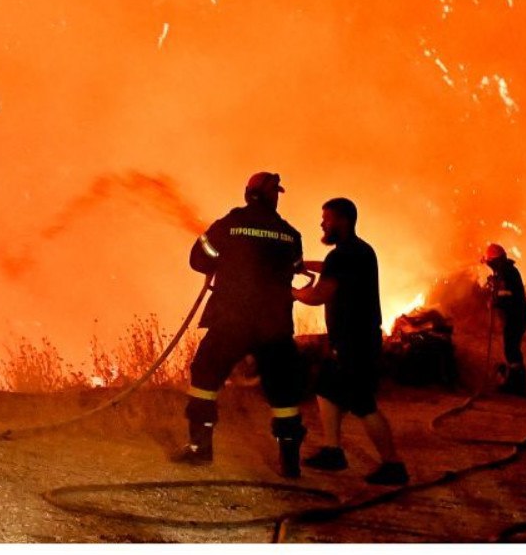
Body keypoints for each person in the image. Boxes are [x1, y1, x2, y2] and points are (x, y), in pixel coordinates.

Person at [175, 171, 310, 478]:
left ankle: (199, 449)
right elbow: (294, 266)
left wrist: (224, 262)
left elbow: (199, 258)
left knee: (205, 376)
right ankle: (290, 463)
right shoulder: (290, 234)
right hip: (274, 326)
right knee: (284, 392)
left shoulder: (229, 224)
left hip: (231, 320)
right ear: (272, 196)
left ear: (248, 194)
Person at [292, 198, 408, 486]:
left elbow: (320, 294)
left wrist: (291, 292)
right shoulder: (360, 251)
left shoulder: (341, 256)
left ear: (342, 220)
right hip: (359, 339)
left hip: (353, 343)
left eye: (326, 218)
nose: (322, 223)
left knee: (362, 403)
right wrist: (304, 264)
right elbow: (334, 269)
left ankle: (393, 465)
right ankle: (333, 450)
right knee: (326, 388)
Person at [481, 243, 526, 396]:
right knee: (511, 348)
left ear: (495, 261)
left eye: (490, 263)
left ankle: (517, 385)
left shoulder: (506, 273)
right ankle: (516, 382)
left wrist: (494, 302)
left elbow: (507, 296)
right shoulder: (505, 271)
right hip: (516, 315)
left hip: (516, 316)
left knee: (511, 348)